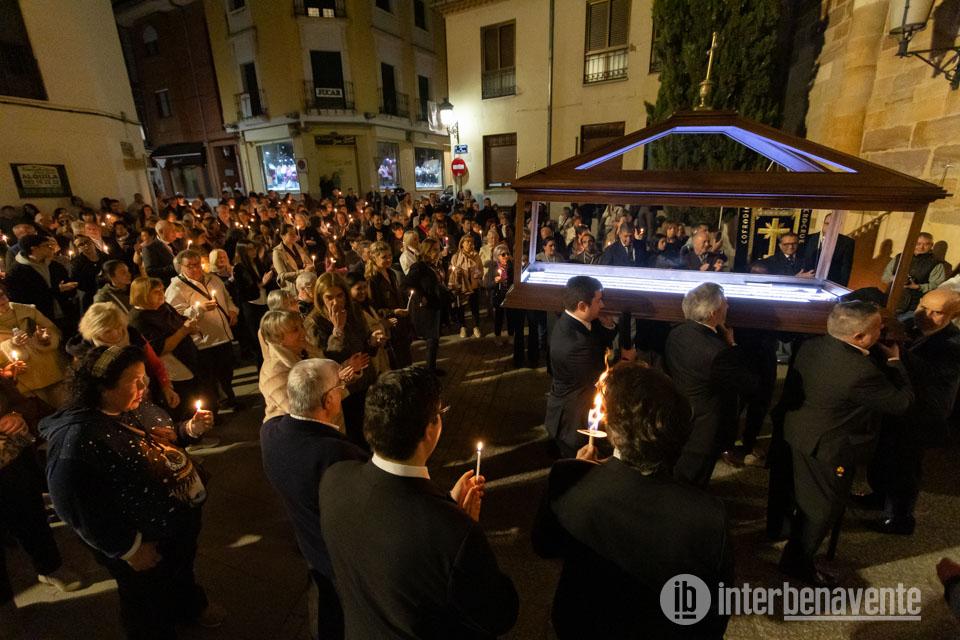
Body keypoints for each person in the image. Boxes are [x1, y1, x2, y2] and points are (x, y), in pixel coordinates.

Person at [533, 362, 733, 639]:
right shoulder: (708, 515)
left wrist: (581, 470)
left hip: (580, 623)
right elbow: (712, 612)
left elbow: (545, 545)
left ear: (615, 433)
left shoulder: (569, 477)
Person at [318, 366, 518, 639]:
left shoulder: (334, 479)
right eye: (440, 414)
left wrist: (445, 504)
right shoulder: (455, 533)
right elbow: (498, 614)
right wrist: (457, 523)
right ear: (428, 430)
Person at [41, 345, 223, 639]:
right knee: (146, 600)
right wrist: (128, 547)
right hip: (143, 543)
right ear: (101, 387)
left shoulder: (132, 405)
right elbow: (73, 503)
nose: (144, 386)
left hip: (173, 526)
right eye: (134, 380)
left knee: (181, 572)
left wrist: (189, 430)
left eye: (144, 377)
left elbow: (160, 439)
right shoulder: (77, 441)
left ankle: (188, 606)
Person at [776, 301, 913, 586]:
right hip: (828, 447)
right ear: (859, 337)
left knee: (806, 499)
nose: (883, 329)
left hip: (801, 432)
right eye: (878, 327)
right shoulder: (860, 371)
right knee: (822, 509)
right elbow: (902, 403)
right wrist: (896, 362)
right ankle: (796, 563)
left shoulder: (812, 346)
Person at [260, 359, 368, 640]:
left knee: (322, 613)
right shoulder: (339, 455)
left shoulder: (270, 433)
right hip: (343, 559)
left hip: (309, 544)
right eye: (340, 387)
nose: (342, 391)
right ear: (329, 400)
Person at [862, 289, 960, 534]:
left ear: (953, 315)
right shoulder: (910, 326)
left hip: (922, 413)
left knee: (905, 466)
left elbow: (930, 374)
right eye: (921, 307)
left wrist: (897, 354)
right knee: (883, 455)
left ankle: (900, 519)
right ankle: (879, 496)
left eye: (935, 312)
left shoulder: (954, 344)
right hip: (898, 405)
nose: (924, 315)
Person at [664, 283, 758, 487]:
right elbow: (748, 383)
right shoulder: (719, 351)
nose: (728, 306)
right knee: (693, 485)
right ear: (714, 312)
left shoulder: (676, 334)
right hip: (705, 430)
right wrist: (731, 344)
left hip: (680, 417)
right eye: (725, 302)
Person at [305, 273, 383, 447]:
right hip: (344, 389)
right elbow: (324, 360)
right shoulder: (315, 323)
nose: (335, 302)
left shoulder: (354, 311)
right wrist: (337, 330)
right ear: (320, 297)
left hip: (366, 381)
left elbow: (364, 346)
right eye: (329, 297)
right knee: (355, 436)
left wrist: (372, 342)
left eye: (339, 296)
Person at [545, 276, 617, 458]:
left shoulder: (574, 322)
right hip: (573, 422)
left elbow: (596, 338)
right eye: (598, 301)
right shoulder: (576, 344)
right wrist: (625, 359)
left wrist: (608, 326)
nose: (602, 305)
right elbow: (602, 377)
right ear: (582, 306)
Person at [166, 250, 240, 412]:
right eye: (190, 266)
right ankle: (213, 409)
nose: (195, 269)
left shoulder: (213, 279)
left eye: (197, 264)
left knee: (226, 371)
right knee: (208, 378)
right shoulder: (176, 288)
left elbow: (227, 298)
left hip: (223, 335)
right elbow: (176, 315)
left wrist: (232, 310)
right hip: (203, 341)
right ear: (180, 267)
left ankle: (229, 397)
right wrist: (199, 309)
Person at [128, 277, 203, 421]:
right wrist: (183, 331)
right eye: (156, 292)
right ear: (142, 295)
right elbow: (158, 349)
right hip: (172, 372)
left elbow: (180, 321)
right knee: (182, 408)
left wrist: (190, 327)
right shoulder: (139, 320)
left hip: (187, 364)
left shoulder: (164, 306)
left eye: (162, 290)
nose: (162, 294)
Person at [6, 234, 79, 339]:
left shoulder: (54, 266)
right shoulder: (16, 272)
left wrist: (69, 288)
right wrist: (57, 290)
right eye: (46, 245)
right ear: (34, 248)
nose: (51, 248)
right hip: (42, 320)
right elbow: (23, 299)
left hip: (65, 315)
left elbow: (69, 289)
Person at [402, 238, 448, 375]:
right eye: (434, 249)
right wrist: (421, 296)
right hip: (426, 307)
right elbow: (405, 284)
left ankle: (431, 368)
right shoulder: (419, 267)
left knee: (434, 338)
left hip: (436, 304)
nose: (437, 252)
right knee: (431, 338)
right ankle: (429, 371)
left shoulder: (437, 265)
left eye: (438, 249)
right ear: (426, 251)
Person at [366, 241, 412, 368]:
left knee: (406, 360)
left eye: (390, 255)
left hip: (400, 323)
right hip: (388, 326)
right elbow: (373, 308)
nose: (389, 259)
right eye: (384, 257)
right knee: (397, 363)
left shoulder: (391, 273)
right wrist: (392, 312)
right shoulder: (372, 279)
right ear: (374, 258)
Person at [882, 232, 946, 316]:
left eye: (926, 244)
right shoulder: (900, 257)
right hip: (890, 301)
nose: (921, 247)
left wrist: (917, 287)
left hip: (914, 308)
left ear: (931, 245)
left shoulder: (936, 263)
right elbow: (885, 277)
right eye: (918, 243)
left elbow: (938, 286)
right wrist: (894, 278)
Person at [799, 212, 855, 286]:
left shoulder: (847, 242)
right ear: (823, 223)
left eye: (833, 225)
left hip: (831, 284)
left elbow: (845, 269)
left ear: (839, 226)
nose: (830, 227)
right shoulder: (809, 239)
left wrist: (840, 288)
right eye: (827, 224)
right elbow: (802, 261)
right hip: (807, 281)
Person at [448, 234, 484, 339]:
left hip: (473, 285)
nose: (469, 243)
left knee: (474, 306)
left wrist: (477, 274)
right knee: (461, 307)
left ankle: (476, 326)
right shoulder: (456, 256)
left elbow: (479, 268)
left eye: (471, 242)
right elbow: (452, 270)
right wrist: (456, 272)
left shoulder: (476, 255)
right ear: (462, 243)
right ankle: (462, 326)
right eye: (467, 241)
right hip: (461, 286)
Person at [70, 234, 108, 312]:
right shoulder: (77, 263)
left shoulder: (105, 257)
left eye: (87, 242)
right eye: (81, 245)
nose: (86, 245)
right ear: (78, 249)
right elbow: (79, 283)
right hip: (91, 297)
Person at [273, 223, 315, 293]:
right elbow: (282, 275)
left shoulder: (297, 247)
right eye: (290, 234)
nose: (294, 236)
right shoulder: (278, 252)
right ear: (282, 236)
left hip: (305, 284)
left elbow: (308, 261)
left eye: (295, 233)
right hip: (292, 289)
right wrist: (303, 271)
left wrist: (310, 267)